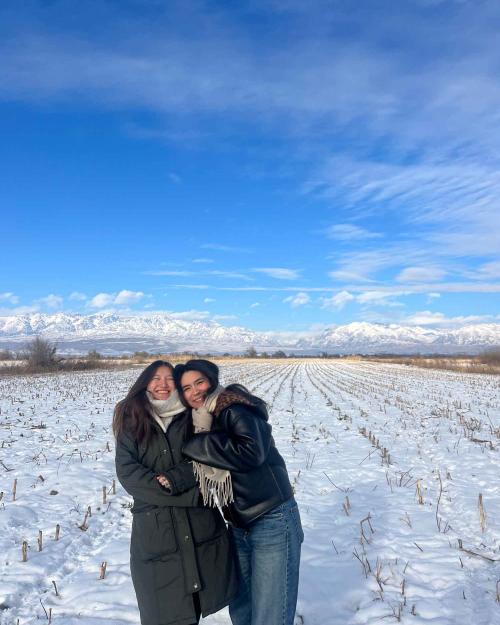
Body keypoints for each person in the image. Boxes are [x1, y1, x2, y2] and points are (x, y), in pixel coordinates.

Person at [174, 359, 303, 625]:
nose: (195, 391)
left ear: (211, 379)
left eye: (199, 382)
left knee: (270, 613)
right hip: (237, 523)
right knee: (242, 608)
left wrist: (194, 444)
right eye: (186, 388)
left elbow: (251, 452)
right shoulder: (202, 419)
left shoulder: (232, 408)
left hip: (272, 518)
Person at [113, 360, 237, 625]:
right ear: (145, 381)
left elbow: (207, 458)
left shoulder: (193, 415)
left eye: (169, 379)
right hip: (157, 534)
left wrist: (173, 480)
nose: (162, 384)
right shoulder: (131, 418)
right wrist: (189, 495)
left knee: (199, 600)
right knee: (167, 612)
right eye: (155, 378)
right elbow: (128, 472)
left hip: (200, 525)